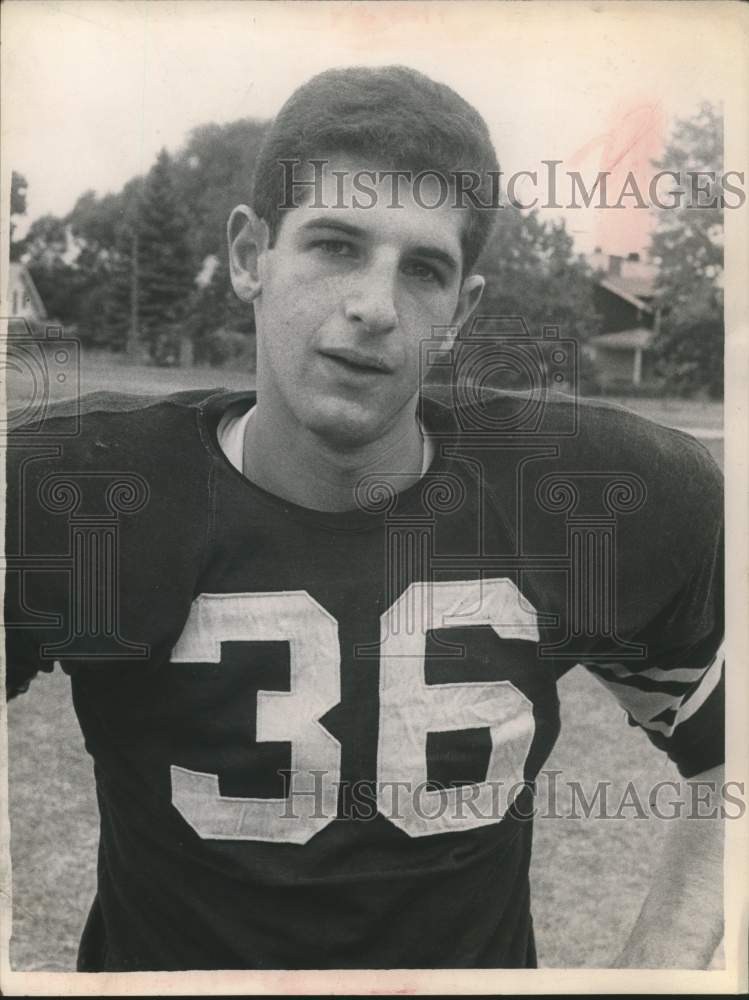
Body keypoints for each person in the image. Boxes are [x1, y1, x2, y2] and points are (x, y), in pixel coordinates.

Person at [4, 65, 724, 971]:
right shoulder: (76, 491)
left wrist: (660, 957)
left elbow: (725, 754)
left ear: (461, 312)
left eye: (422, 269)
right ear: (247, 256)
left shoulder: (586, 497)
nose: (374, 308)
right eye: (336, 245)